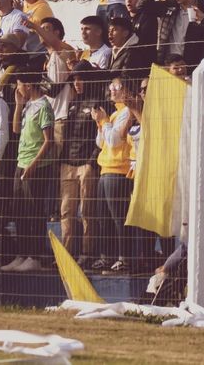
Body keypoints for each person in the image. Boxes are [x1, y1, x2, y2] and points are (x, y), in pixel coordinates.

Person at [0, 71, 57, 273]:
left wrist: (33, 164)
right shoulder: (28, 106)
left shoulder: (44, 106)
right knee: (20, 210)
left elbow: (49, 141)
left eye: (20, 85)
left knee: (33, 210)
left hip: (36, 165)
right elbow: (16, 129)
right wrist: (18, 105)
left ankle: (35, 255)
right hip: (21, 162)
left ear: (29, 84)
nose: (18, 89)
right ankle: (22, 254)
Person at [58, 61, 106, 264]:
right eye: (74, 79)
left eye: (80, 78)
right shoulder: (72, 105)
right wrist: (62, 161)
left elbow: (102, 133)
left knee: (88, 210)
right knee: (66, 211)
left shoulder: (100, 103)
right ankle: (67, 255)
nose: (77, 83)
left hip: (88, 164)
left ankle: (88, 253)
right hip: (68, 163)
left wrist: (91, 162)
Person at [91, 77, 137, 274]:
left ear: (126, 90)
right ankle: (106, 256)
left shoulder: (128, 112)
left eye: (116, 87)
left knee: (119, 217)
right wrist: (101, 122)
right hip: (105, 169)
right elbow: (101, 143)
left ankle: (123, 257)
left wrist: (103, 121)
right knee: (104, 217)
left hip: (118, 170)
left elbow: (115, 141)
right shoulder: (114, 114)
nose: (112, 90)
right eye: (111, 87)